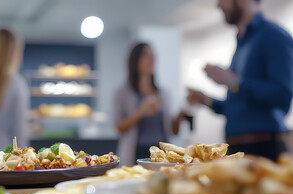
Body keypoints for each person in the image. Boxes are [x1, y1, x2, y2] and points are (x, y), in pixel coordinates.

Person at [188, 0, 293, 161]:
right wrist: (207, 100)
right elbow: (238, 107)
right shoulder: (242, 43)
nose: (218, 5)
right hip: (238, 146)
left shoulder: (273, 35)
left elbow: (283, 95)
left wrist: (233, 81)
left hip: (262, 147)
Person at [114, 43, 185, 166]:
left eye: (153, 56)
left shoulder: (163, 94)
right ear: (135, 60)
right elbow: (119, 127)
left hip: (162, 154)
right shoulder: (123, 93)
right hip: (135, 154)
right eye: (146, 56)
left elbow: (173, 131)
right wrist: (140, 112)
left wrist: (181, 114)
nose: (151, 60)